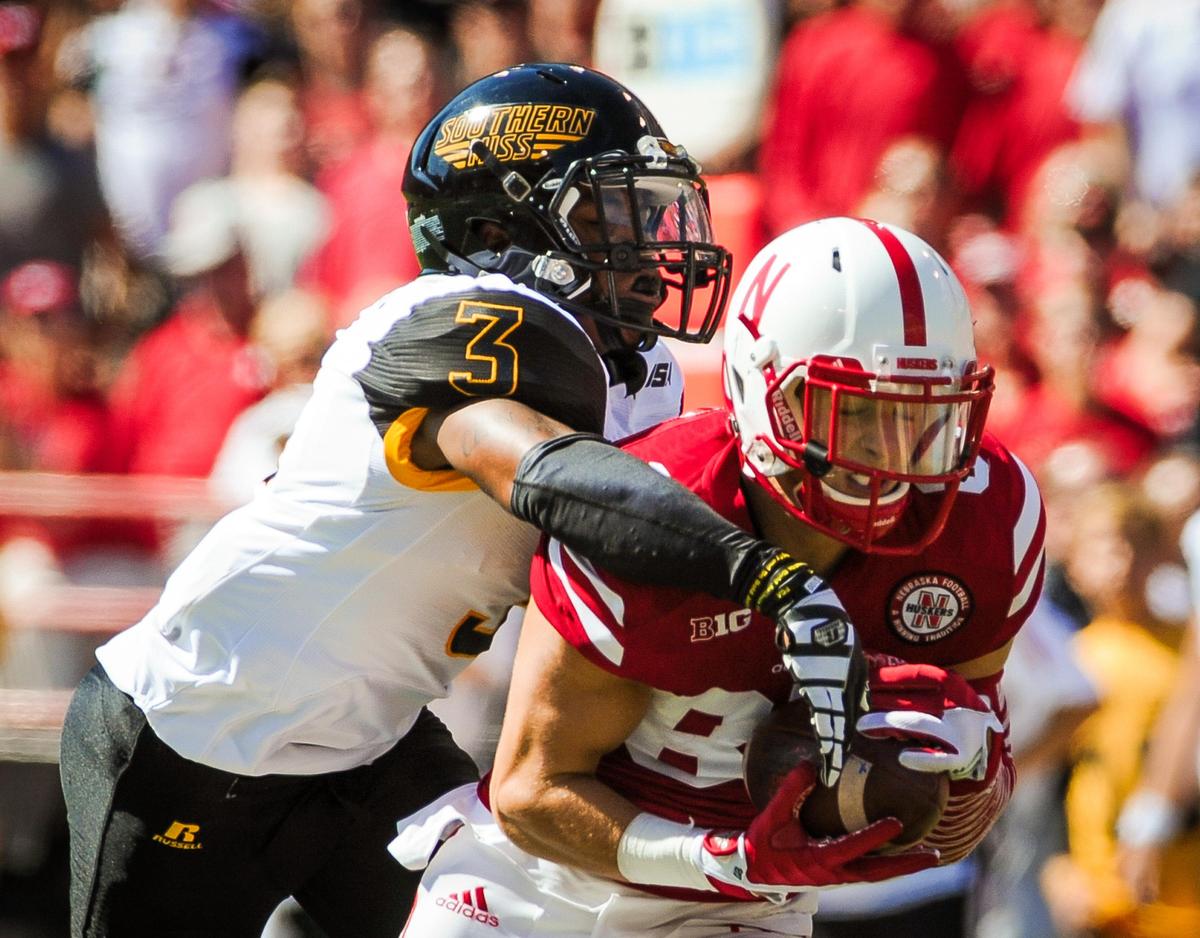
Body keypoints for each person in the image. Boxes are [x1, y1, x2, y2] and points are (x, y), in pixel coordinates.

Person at [58, 64, 868, 938]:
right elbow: (551, 476)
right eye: (615, 211)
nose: (652, 239)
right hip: (193, 728)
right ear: (498, 224)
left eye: (652, 208)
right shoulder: (462, 318)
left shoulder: (644, 373)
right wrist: (769, 579)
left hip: (373, 742)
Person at [393, 216, 1047, 936]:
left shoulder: (988, 517)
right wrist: (726, 858)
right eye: (854, 412)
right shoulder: (647, 508)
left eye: (920, 418)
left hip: (741, 907)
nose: (892, 460)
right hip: (539, 886)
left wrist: (967, 775)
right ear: (763, 390)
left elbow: (976, 758)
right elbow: (531, 793)